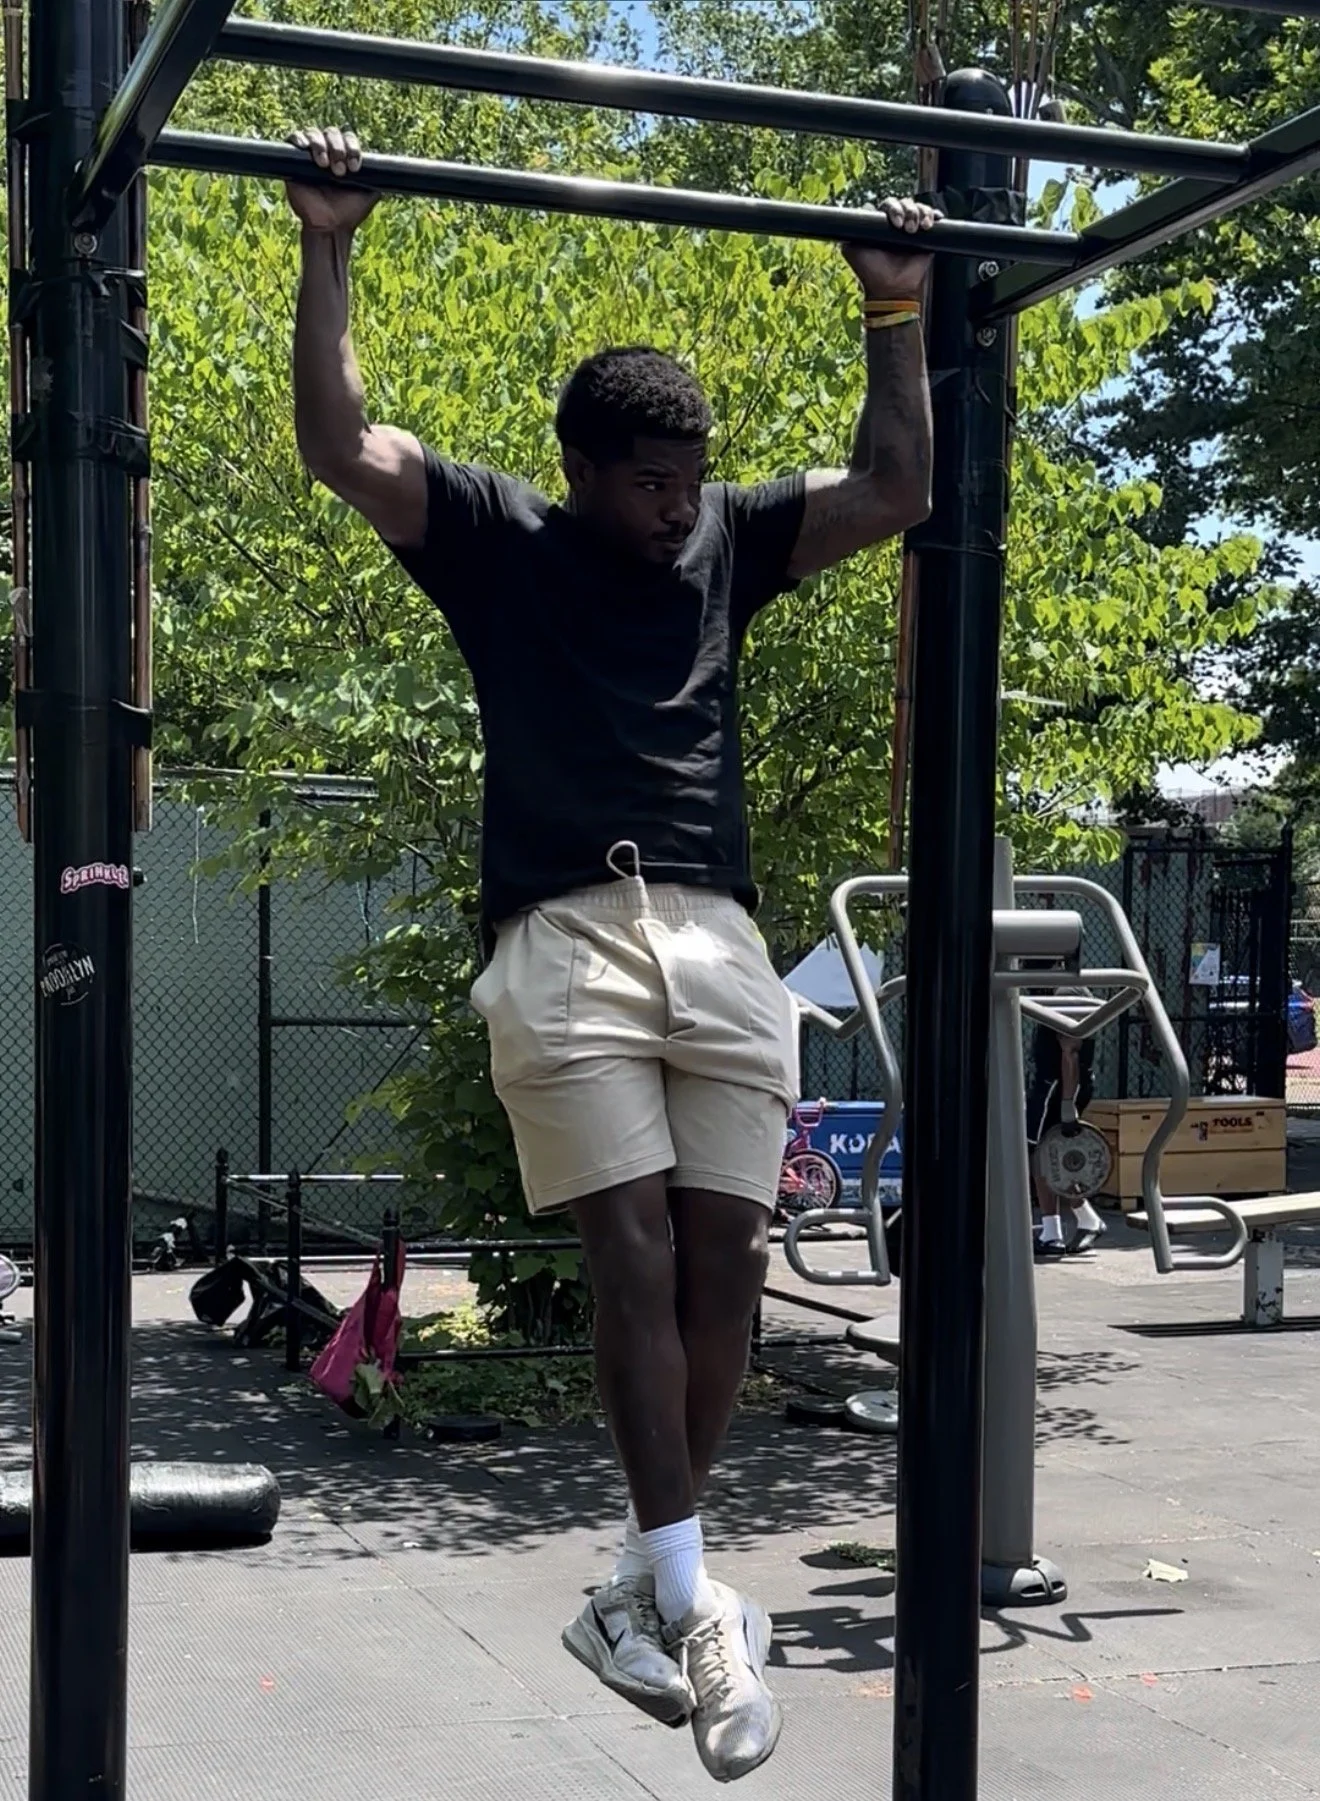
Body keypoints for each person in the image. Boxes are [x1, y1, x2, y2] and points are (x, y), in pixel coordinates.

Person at [286, 124, 937, 1784]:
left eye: (693, 466)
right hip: (568, 929)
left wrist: (895, 312)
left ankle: (644, 1593)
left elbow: (895, 491)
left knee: (730, 1265)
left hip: (720, 936)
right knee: (633, 1251)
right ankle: (681, 1589)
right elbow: (342, 443)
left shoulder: (724, 540)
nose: (680, 494)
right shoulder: (503, 538)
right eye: (652, 472)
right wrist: (329, 244)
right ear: (582, 466)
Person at [1026, 1013, 1106, 1259]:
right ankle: (1059, 1229)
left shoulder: (1064, 993)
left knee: (1042, 1153)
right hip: (1054, 1087)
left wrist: (1068, 1102)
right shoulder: (1055, 992)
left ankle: (1062, 1228)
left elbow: (1070, 1050)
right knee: (1047, 1153)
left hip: (1056, 1089)